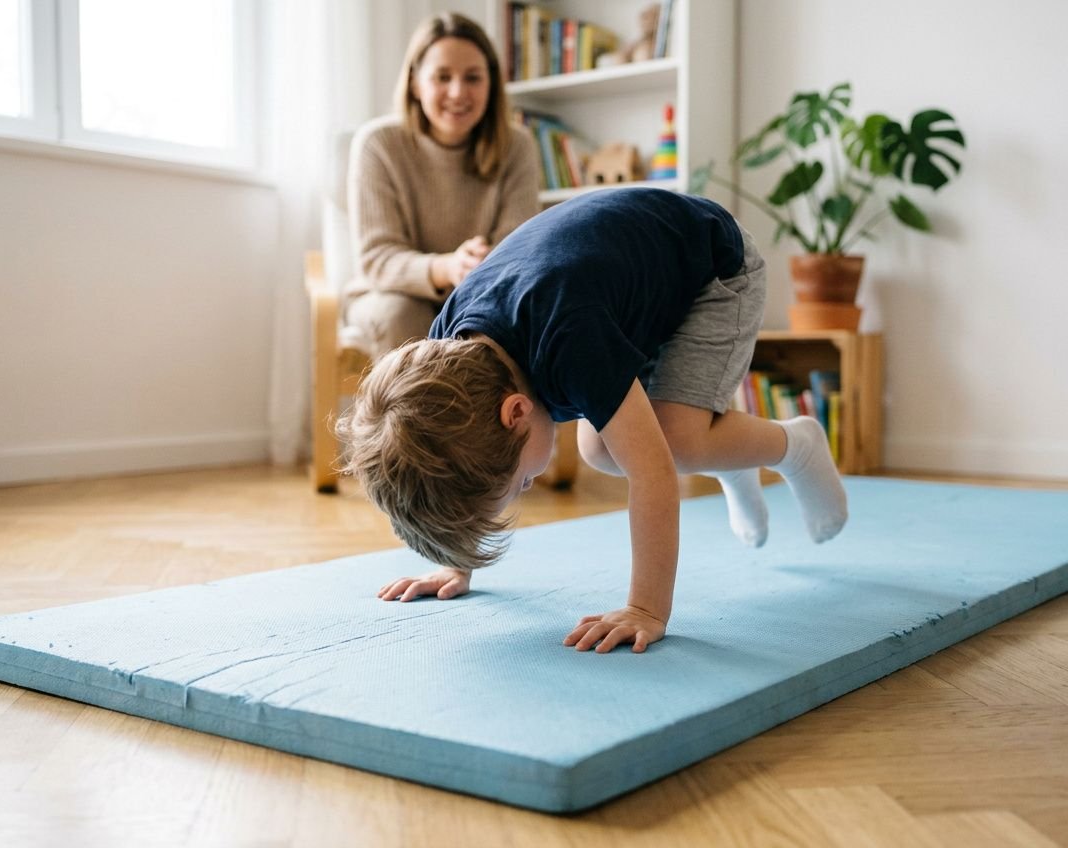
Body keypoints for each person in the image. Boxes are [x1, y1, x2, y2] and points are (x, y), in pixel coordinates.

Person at [338, 188, 848, 654]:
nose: (525, 487)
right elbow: (458, 465)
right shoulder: (448, 357)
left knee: (674, 444)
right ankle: (728, 455)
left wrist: (645, 608)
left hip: (710, 269)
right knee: (601, 449)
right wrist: (456, 559)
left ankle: (796, 445)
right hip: (624, 288)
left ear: (515, 413)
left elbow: (653, 476)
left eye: (520, 483)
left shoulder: (570, 343)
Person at [344, 12, 541, 358]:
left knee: (510, 317)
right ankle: (410, 415)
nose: (457, 92)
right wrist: (448, 267)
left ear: (491, 85)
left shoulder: (518, 146)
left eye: (473, 78)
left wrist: (476, 269)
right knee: (404, 315)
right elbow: (377, 259)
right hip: (390, 294)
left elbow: (519, 247)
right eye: (442, 77)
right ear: (416, 83)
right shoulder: (378, 144)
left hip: (483, 292)